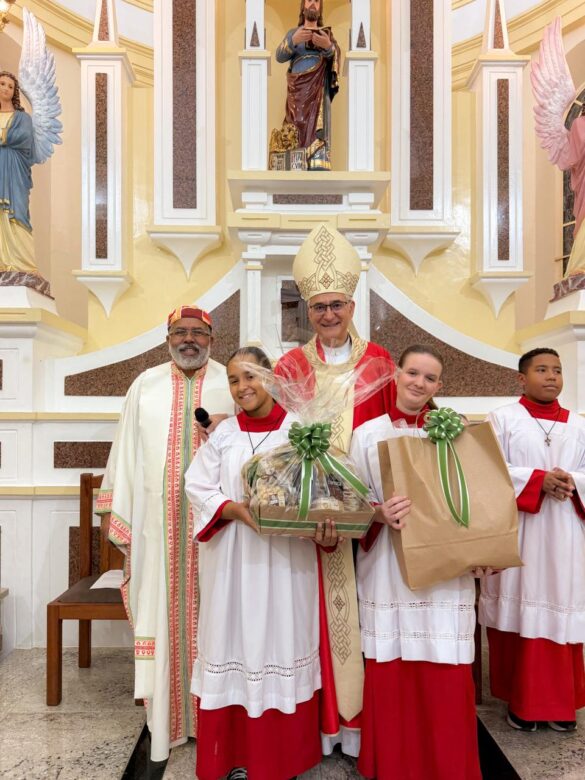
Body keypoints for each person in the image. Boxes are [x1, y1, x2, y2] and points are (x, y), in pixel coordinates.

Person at [185, 346, 338, 780]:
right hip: (233, 563)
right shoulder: (224, 434)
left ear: (270, 379)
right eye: (233, 380)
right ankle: (233, 755)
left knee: (281, 644)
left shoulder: (302, 433)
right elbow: (197, 486)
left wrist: (322, 525)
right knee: (232, 643)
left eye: (249, 377)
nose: (241, 388)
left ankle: (280, 759)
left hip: (286, 566)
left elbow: (325, 495)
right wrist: (235, 511)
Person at [275, 222, 395, 756]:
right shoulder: (290, 366)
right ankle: (322, 731)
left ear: (352, 304)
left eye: (337, 305)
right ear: (308, 310)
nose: (328, 314)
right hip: (309, 518)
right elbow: (274, 442)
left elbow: (402, 428)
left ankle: (361, 732)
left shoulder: (381, 362)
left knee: (371, 617)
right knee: (311, 622)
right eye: (319, 306)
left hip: (372, 520)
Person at [96, 306, 233, 761]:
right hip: (158, 534)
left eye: (198, 332)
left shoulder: (231, 383)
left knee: (218, 618)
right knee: (163, 613)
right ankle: (166, 720)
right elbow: (124, 452)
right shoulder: (145, 385)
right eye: (180, 332)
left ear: (212, 337)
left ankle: (216, 719)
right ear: (167, 336)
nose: (189, 339)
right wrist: (115, 515)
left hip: (219, 532)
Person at [350, 345, 482, 780]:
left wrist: (480, 553)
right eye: (412, 373)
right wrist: (377, 512)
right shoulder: (367, 433)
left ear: (439, 386)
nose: (419, 383)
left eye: (429, 378)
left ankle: (448, 766)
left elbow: (475, 498)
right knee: (393, 670)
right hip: (388, 566)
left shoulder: (455, 432)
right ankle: (393, 764)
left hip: (445, 574)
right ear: (396, 376)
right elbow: (350, 499)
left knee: (443, 670)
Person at [480, 348, 585, 732]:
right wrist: (538, 480)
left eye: (557, 370)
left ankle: (560, 705)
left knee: (560, 609)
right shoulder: (502, 419)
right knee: (520, 609)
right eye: (541, 369)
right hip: (519, 531)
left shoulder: (579, 424)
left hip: (564, 534)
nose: (552, 376)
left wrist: (574, 482)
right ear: (522, 378)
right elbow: (486, 470)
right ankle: (521, 701)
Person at [275, 0, 340, 170]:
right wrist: (293, 40)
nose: (313, 4)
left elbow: (336, 57)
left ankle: (317, 158)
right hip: (297, 92)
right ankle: (296, 157)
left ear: (320, 8)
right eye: (309, 0)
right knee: (296, 122)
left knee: (317, 126)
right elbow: (279, 56)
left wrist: (328, 46)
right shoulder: (293, 33)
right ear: (303, 6)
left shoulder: (327, 36)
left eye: (317, 1)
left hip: (317, 91)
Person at [0, 71, 36, 272]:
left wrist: (3, 138)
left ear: (14, 92)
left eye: (9, 86)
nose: (5, 88)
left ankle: (23, 264)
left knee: (17, 212)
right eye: (2, 83)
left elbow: (24, 138)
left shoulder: (22, 118)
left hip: (15, 172)